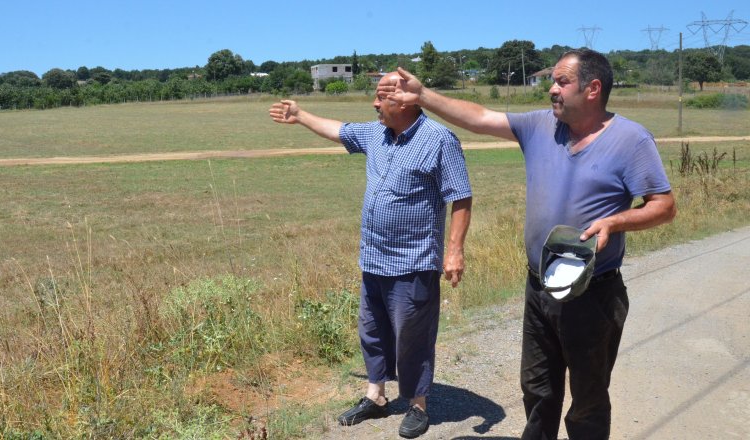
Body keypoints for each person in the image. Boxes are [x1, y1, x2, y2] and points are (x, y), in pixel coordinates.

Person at [377, 49, 676, 439]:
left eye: (562, 81)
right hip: (539, 287)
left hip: (593, 294)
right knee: (537, 389)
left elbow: (664, 206)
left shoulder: (630, 140)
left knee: (587, 397)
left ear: (593, 88)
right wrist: (423, 96)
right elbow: (479, 118)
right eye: (553, 80)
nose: (552, 89)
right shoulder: (540, 126)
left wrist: (616, 221)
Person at [268, 72, 473, 438]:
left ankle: (417, 404)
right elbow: (340, 130)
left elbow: (461, 196)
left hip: (414, 261)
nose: (375, 104)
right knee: (372, 332)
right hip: (374, 258)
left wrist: (454, 251)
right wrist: (301, 116)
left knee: (412, 335)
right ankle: (376, 397)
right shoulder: (375, 134)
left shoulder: (439, 140)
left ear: (408, 101)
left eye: (382, 97)